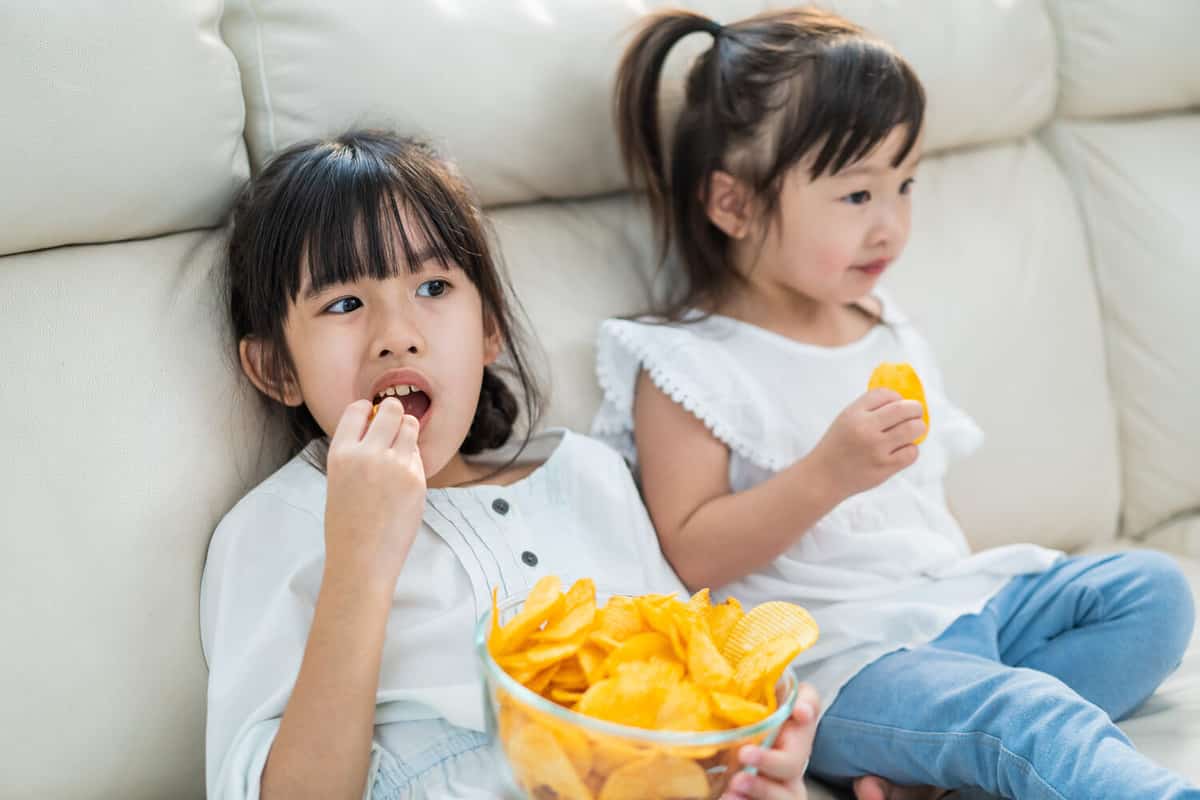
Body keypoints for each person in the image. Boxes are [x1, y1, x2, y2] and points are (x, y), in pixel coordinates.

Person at [595, 8, 1197, 799]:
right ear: (733, 205)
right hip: (837, 663)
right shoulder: (684, 365)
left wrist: (973, 617)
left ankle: (939, 762)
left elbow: (917, 519)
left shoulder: (883, 328)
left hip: (950, 611)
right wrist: (826, 475)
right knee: (1026, 708)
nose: (892, 224)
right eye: (855, 195)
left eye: (903, 184)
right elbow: (688, 556)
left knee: (1151, 592)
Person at [202, 130, 819, 800]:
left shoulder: (587, 475)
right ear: (274, 368)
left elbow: (685, 705)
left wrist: (746, 768)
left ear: (489, 327)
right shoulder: (271, 527)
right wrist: (359, 563)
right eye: (344, 304)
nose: (398, 334)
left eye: (434, 286)